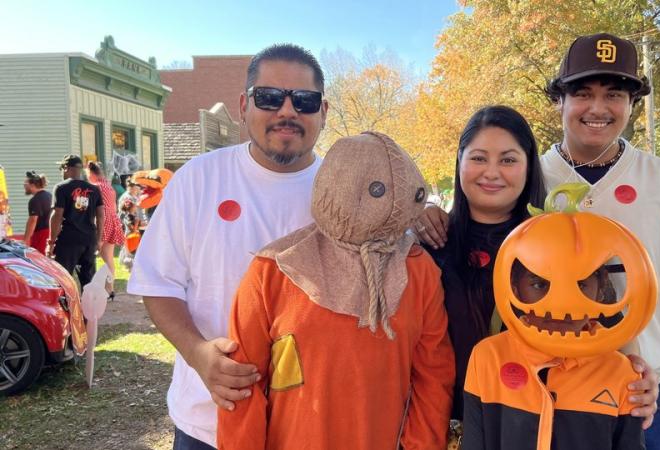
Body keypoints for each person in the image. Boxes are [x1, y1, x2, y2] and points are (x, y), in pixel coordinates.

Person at [418, 34, 660, 448]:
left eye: (614, 94)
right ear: (559, 100)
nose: (598, 108)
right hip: (536, 390)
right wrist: (422, 213)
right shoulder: (530, 179)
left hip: (637, 390)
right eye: (582, 93)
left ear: (632, 103)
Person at [415, 106, 658, 446]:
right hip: (440, 425)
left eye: (509, 160)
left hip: (531, 423)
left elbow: (608, 327)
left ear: (530, 166)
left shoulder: (561, 242)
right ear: (459, 162)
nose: (492, 172)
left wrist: (637, 379)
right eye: (479, 158)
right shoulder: (430, 243)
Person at [127, 44, 328, 449]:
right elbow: (157, 283)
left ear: (324, 111)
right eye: (269, 97)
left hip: (315, 426)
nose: (286, 111)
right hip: (209, 424)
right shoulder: (199, 179)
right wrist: (198, 353)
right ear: (243, 105)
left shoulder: (345, 190)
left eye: (303, 100)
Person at [217, 132, 454, 449]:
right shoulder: (274, 270)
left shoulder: (417, 268)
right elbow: (241, 385)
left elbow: (434, 375)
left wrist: (420, 446)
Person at [463, 184, 654, 450]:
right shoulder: (488, 358)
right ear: (514, 287)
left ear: (600, 290)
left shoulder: (621, 373)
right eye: (540, 284)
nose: (563, 301)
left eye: (581, 284)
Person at [49, 154, 105, 288]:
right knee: (89, 280)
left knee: (63, 278)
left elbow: (57, 215)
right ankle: (91, 308)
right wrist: (98, 239)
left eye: (62, 169)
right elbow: (101, 215)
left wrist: (51, 241)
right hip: (89, 239)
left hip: (69, 240)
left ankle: (66, 307)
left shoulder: (61, 187)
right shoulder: (94, 189)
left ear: (66, 168)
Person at [86, 161, 125, 297]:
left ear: (91, 173)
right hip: (112, 219)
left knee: (91, 256)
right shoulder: (109, 187)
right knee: (109, 258)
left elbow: (93, 208)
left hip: (101, 220)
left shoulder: (95, 187)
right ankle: (110, 289)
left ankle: (94, 287)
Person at [22, 170, 52, 254]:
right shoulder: (50, 196)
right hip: (51, 234)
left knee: (38, 262)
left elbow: (33, 220)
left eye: (25, 183)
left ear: (32, 185)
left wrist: (25, 240)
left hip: (41, 236)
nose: (24, 185)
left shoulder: (34, 200)